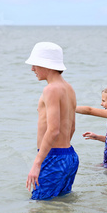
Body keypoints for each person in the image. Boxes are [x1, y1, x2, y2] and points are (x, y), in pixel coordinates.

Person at [24, 42, 79, 200]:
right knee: (61, 205)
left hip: (52, 157)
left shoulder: (51, 89)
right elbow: (72, 127)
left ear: (45, 64)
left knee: (40, 208)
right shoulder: (69, 88)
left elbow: (53, 130)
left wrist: (37, 163)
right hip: (69, 156)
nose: (32, 69)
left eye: (35, 64)